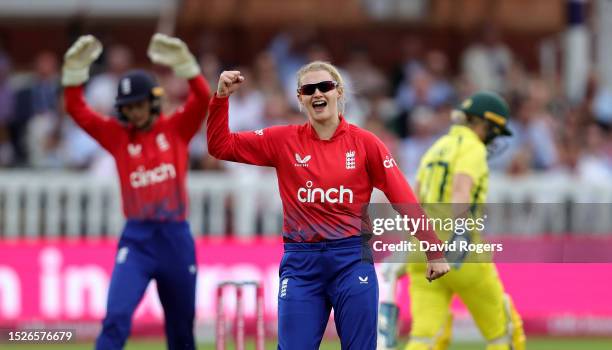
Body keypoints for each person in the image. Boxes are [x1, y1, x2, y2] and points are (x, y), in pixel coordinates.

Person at [207, 61, 450, 349]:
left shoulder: (366, 144)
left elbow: (403, 198)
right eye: (309, 89)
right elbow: (219, 146)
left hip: (350, 260)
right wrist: (221, 97)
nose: (317, 93)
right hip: (301, 263)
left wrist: (433, 249)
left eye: (325, 86)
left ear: (339, 92)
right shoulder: (282, 140)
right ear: (300, 98)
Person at [61, 33, 210, 349]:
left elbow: (202, 99)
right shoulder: (117, 136)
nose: (135, 112)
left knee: (182, 331)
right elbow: (77, 109)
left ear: (153, 102)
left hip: (175, 240)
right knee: (116, 318)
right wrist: (74, 75)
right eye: (129, 107)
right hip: (137, 240)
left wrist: (187, 67)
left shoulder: (176, 129)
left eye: (140, 104)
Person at [379, 92, 526, 350]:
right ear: (483, 124)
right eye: (495, 131)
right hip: (461, 253)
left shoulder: (435, 148)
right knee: (503, 332)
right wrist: (460, 232)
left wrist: (407, 247)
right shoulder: (472, 148)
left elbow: (414, 201)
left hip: (423, 253)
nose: (494, 138)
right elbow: (461, 187)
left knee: (425, 338)